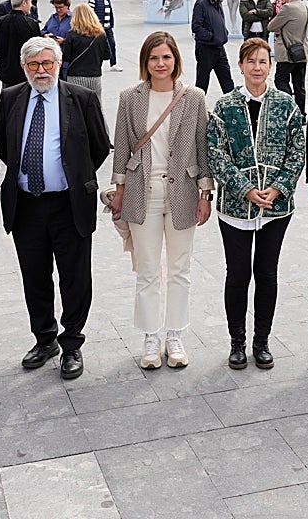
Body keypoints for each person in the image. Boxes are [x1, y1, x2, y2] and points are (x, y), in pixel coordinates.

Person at [0, 37, 111, 380]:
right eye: (33, 65)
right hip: (26, 205)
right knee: (35, 277)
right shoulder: (10, 98)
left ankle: (72, 343)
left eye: (47, 63)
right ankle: (45, 339)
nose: (41, 70)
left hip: (68, 203)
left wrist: (72, 176)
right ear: (23, 67)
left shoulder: (82, 98)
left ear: (59, 64)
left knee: (75, 278)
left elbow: (98, 147)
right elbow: (5, 146)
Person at [109, 32, 213, 370]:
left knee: (180, 269)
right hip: (143, 192)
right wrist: (119, 192)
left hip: (182, 191)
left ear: (176, 60)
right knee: (148, 270)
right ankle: (150, 336)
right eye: (154, 58)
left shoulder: (193, 97)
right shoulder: (130, 97)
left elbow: (203, 147)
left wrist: (205, 193)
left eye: (166, 57)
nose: (160, 64)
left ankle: (175, 335)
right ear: (145, 62)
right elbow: (122, 147)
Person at [207, 38, 305, 370]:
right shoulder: (225, 106)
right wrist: (245, 189)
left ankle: (262, 342)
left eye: (263, 61)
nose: (257, 67)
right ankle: (237, 342)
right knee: (237, 274)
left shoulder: (286, 104)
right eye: (251, 61)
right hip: (235, 208)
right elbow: (216, 155)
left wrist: (278, 188)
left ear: (271, 65)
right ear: (240, 66)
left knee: (266, 273)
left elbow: (297, 151)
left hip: (276, 209)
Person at [267, 0, 308, 114]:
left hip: (287, 52)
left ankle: (289, 109)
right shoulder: (304, 6)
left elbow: (271, 26)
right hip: (301, 52)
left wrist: (281, 28)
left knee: (281, 80)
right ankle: (301, 114)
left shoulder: (288, 7)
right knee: (299, 85)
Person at [0, 0, 42, 89]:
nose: (31, 5)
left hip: (6, 70)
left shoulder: (0, 22)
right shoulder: (31, 24)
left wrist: (4, 51)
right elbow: (37, 49)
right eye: (30, 2)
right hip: (26, 72)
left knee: (7, 99)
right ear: (24, 3)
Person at [191, 0, 235, 95]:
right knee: (202, 82)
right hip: (206, 49)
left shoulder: (218, 1)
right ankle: (197, 109)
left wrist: (224, 33)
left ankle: (232, 107)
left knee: (227, 81)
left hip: (219, 48)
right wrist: (211, 37)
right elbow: (196, 27)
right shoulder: (201, 3)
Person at [62, 4, 111, 99]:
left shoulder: (71, 34)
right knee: (96, 106)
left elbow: (66, 57)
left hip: (75, 76)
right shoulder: (100, 34)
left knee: (76, 106)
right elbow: (107, 55)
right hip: (94, 76)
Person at [91, 0, 123, 72]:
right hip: (98, 28)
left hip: (107, 27)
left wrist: (111, 23)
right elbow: (90, 12)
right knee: (98, 47)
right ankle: (97, 65)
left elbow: (110, 12)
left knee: (112, 44)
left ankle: (113, 64)